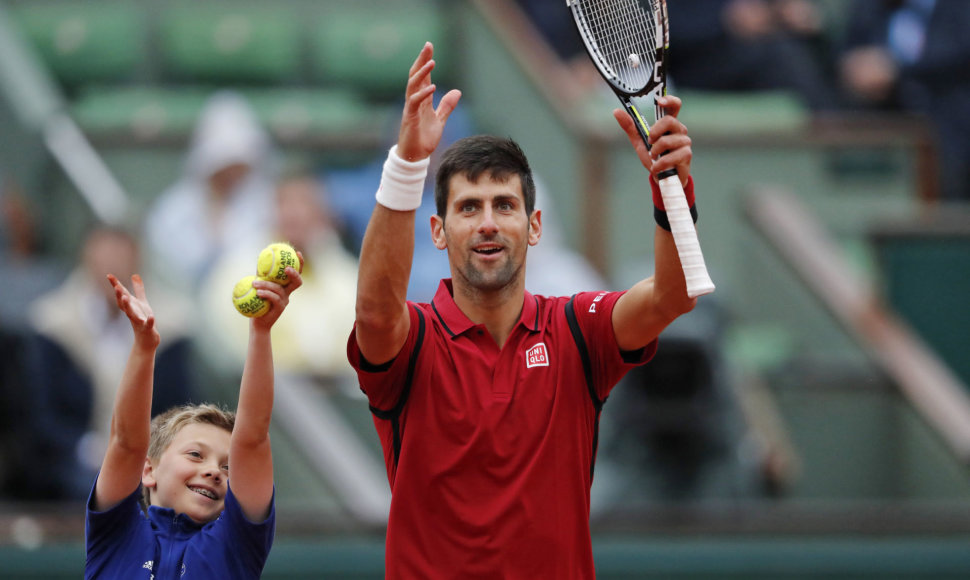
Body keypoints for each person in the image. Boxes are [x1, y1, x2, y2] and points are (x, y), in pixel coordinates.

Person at [347, 42, 698, 578]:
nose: (487, 222)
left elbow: (674, 296)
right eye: (469, 208)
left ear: (534, 227)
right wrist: (408, 164)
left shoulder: (579, 330)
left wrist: (671, 187)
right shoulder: (411, 339)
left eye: (505, 205)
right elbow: (374, 315)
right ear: (438, 232)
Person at [85, 264, 301, 578]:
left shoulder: (236, 544)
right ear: (149, 469)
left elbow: (252, 437)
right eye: (195, 455)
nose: (214, 471)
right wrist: (144, 347)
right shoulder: (115, 532)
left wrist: (260, 331)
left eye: (228, 467)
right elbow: (126, 443)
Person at [19, 225, 195, 501]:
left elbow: (180, 409)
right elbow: (41, 418)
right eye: (103, 256)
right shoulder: (52, 324)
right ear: (86, 259)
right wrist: (91, 448)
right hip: (72, 462)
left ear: (138, 261)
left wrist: (144, 453)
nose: (112, 266)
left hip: (150, 460)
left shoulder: (172, 326)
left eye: (121, 256)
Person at [201, 170, 358, 383]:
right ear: (271, 211)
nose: (295, 213)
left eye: (306, 203)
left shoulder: (346, 275)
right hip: (262, 387)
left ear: (323, 214)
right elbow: (231, 348)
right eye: (285, 203)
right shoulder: (235, 270)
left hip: (337, 392)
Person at [144, 91, 277, 292]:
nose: (232, 173)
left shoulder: (268, 204)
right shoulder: (172, 211)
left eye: (239, 164)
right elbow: (165, 272)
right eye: (224, 165)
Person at [837, 0, 970, 200]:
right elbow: (848, 53)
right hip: (886, 131)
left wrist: (894, 69)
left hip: (952, 133)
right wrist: (857, 69)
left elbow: (958, 52)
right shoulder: (870, 8)